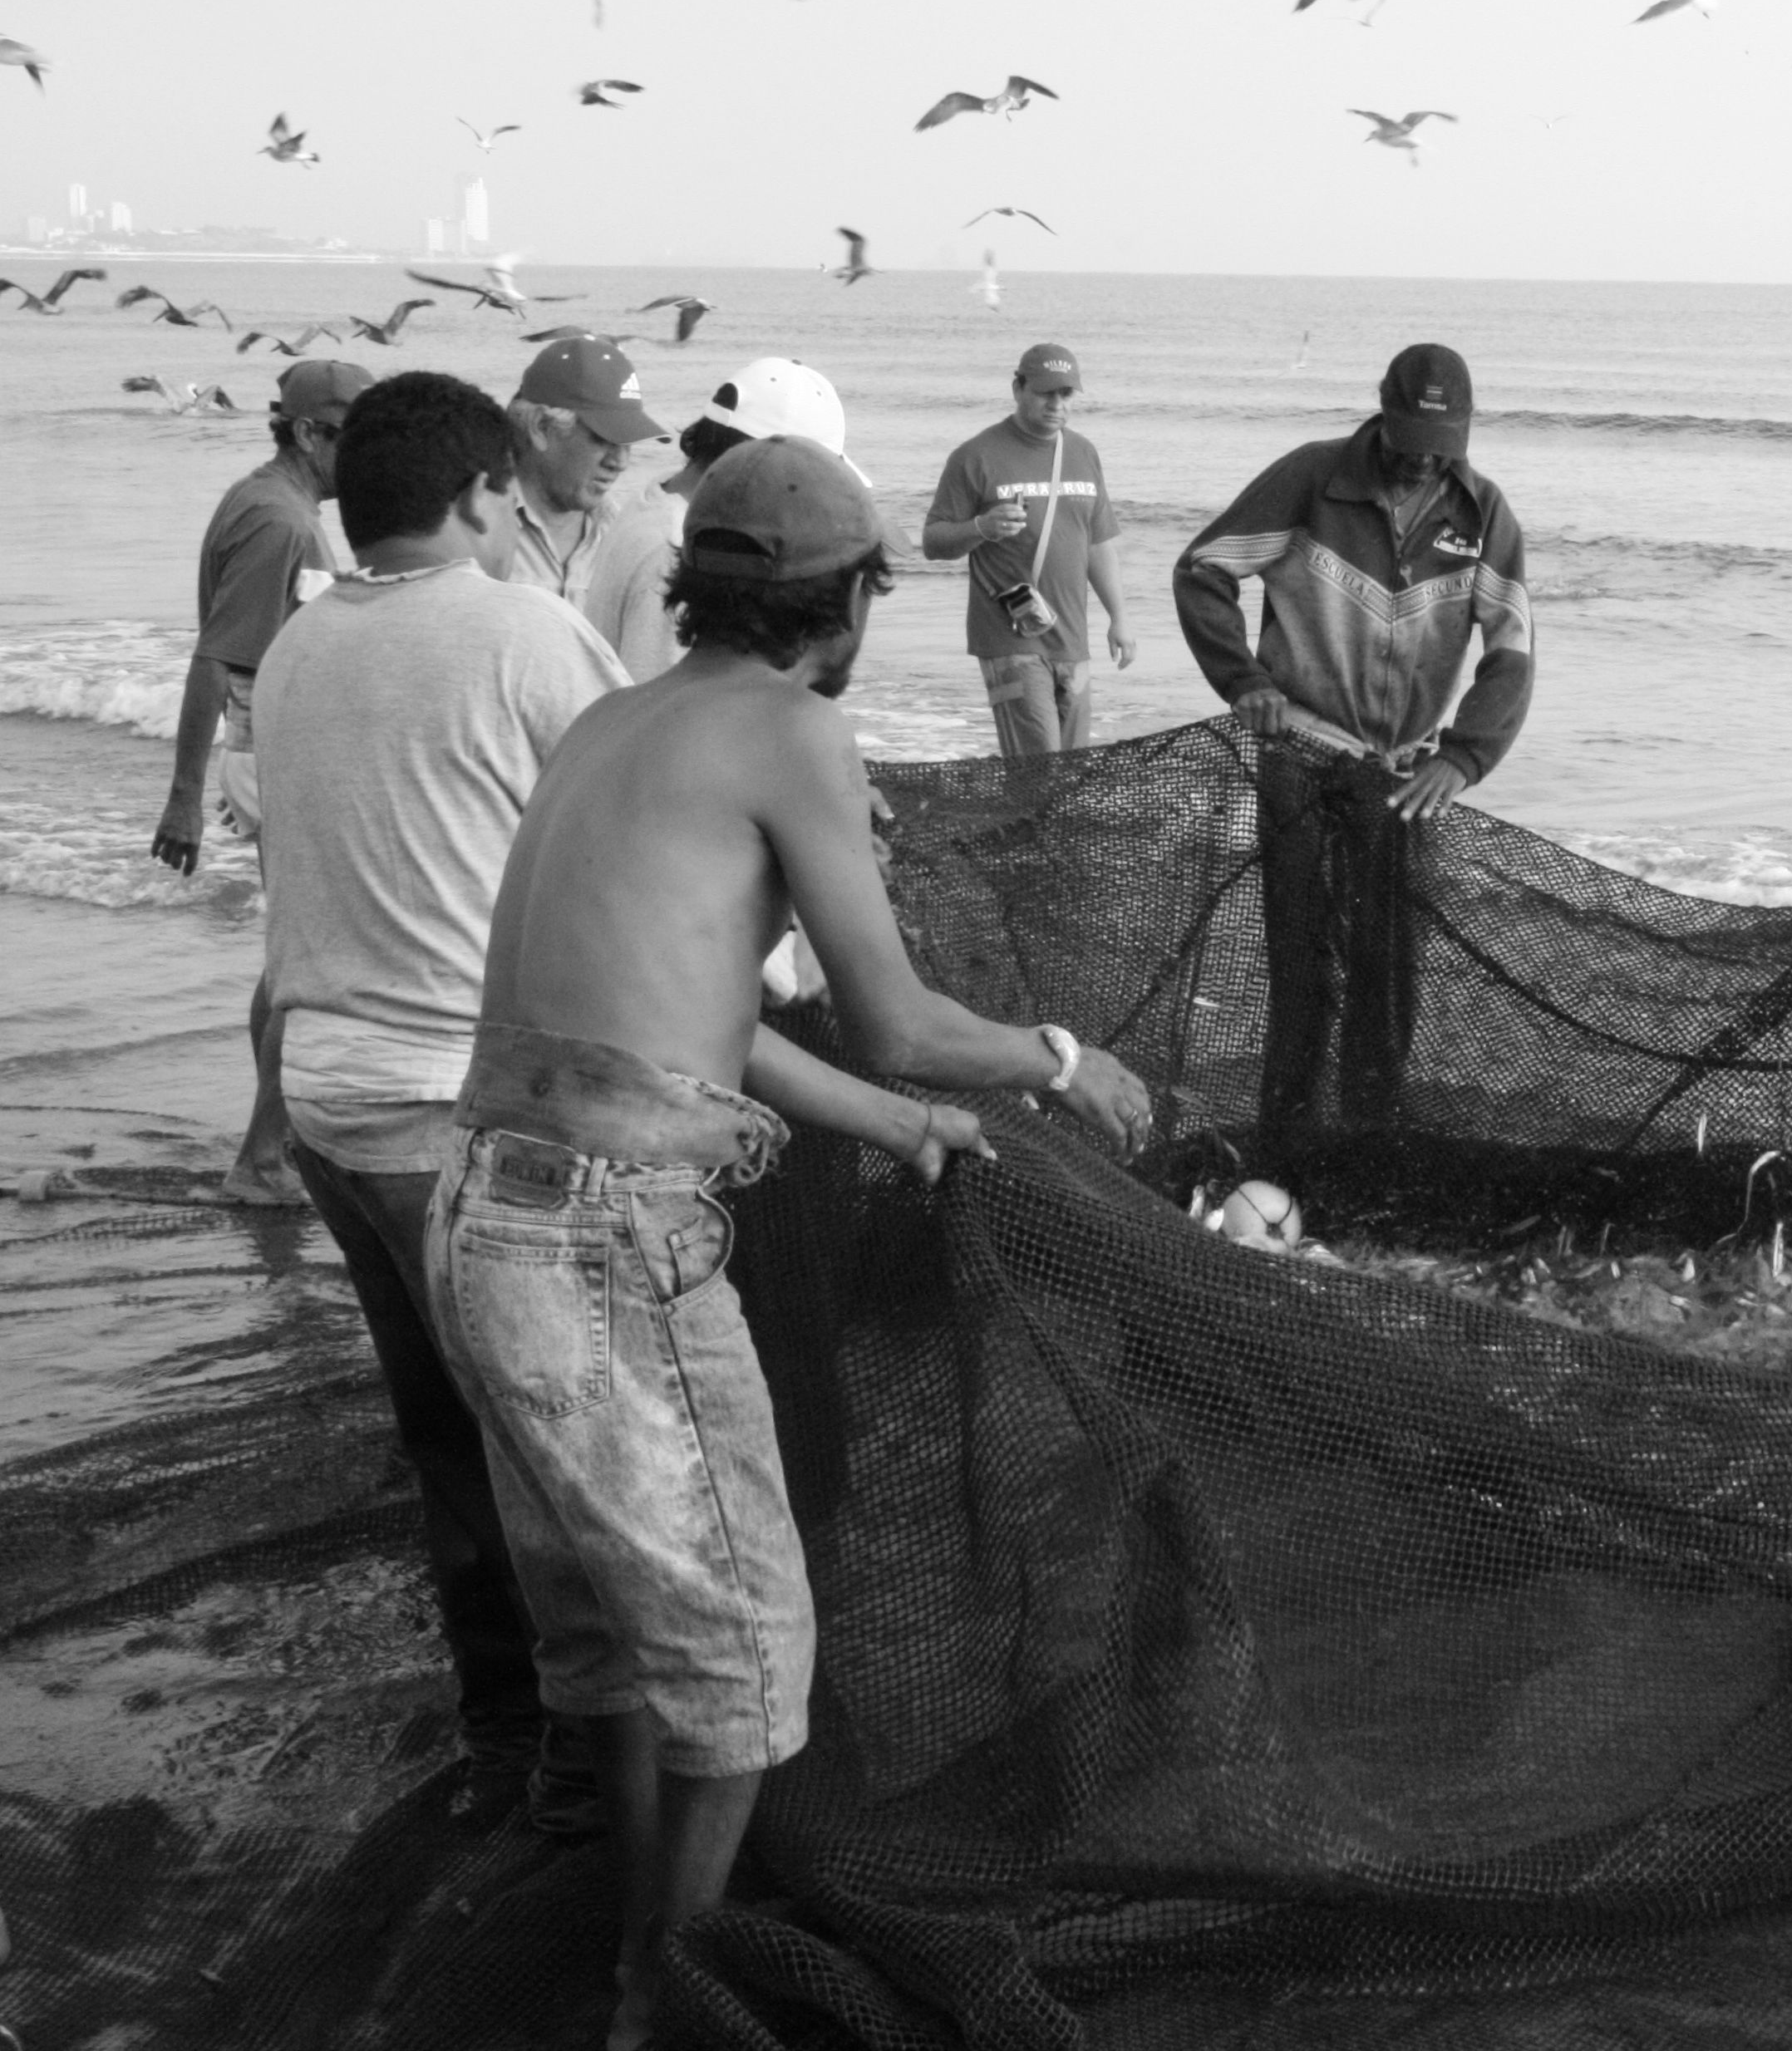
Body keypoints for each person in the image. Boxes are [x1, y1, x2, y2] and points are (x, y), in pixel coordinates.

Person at [430, 434, 1152, 2050]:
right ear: (849, 609)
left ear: (699, 585)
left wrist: (894, 1131)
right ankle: (659, 2000)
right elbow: (895, 1013)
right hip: (612, 1247)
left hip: (484, 1217)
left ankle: (640, 1946)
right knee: (756, 1664)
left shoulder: (615, 719)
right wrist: (1058, 1058)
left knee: (624, 1648)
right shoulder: (793, 733)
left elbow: (702, 1021)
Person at [250, 369, 630, 1830]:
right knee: (553, 1448)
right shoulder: (521, 627)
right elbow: (637, 810)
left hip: (331, 1105)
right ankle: (584, 1767)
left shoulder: (297, 643)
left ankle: (499, 1727)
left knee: (447, 1438)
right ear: (485, 497)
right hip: (451, 1116)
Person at [1173, 342, 1534, 1140]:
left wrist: (1464, 755)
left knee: (1389, 969)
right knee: (1303, 966)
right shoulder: (1311, 479)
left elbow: (1511, 652)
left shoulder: (1482, 515)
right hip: (1300, 756)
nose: (1421, 467)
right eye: (1410, 447)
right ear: (1381, 410)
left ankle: (1370, 1134)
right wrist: (1245, 683)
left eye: (1440, 453)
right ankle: (1289, 1135)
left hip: (1405, 776)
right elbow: (1202, 570)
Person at [149, 357, 372, 1203]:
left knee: (292, 962)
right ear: (311, 432)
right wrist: (182, 799)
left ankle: (275, 1147)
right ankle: (264, 1160)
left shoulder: (265, 500)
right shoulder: (280, 522)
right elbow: (217, 655)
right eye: (356, 438)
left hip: (270, 750)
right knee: (306, 967)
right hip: (267, 752)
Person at [920, 342, 1135, 755]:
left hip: (1071, 636)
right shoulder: (975, 456)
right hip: (1009, 635)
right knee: (1037, 764)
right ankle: (1030, 821)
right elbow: (933, 542)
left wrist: (1120, 618)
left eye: (1066, 394)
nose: (1057, 404)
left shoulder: (1083, 452)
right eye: (1045, 393)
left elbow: (1099, 542)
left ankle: (1040, 822)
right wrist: (982, 527)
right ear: (1018, 388)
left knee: (1069, 764)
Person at [609, 358, 865, 680]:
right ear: (760, 463)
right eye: (805, 484)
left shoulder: (661, 502)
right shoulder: (678, 550)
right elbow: (656, 710)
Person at [488, 333, 673, 654]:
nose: (621, 462)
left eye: (628, 443)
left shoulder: (624, 534)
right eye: (604, 439)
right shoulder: (475, 528)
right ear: (542, 428)